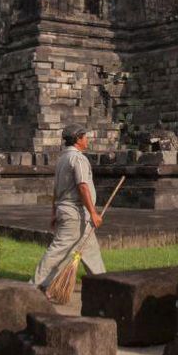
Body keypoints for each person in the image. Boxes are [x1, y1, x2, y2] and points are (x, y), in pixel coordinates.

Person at [32, 124, 105, 293]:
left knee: (91, 254)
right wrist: (94, 213)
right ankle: (33, 286)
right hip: (75, 214)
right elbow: (82, 187)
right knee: (57, 252)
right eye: (85, 137)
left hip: (73, 213)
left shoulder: (62, 159)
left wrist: (53, 213)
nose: (87, 140)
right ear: (78, 139)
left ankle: (104, 286)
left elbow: (56, 190)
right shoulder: (78, 159)